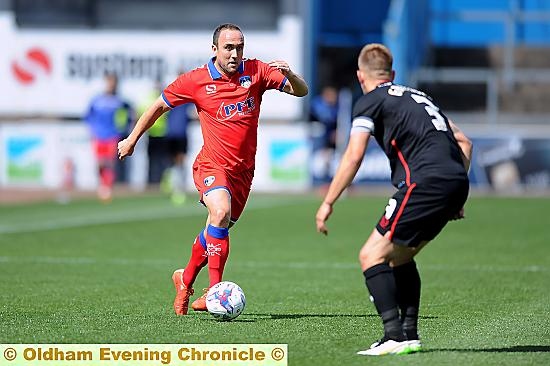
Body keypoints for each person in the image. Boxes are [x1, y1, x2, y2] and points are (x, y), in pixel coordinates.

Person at [118, 23, 308, 315]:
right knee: (220, 212)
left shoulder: (257, 71)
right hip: (211, 165)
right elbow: (158, 106)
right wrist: (131, 139)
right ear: (215, 49)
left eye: (239, 47)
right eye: (229, 47)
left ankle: (185, 279)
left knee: (214, 232)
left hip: (243, 173)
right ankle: (214, 292)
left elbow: (301, 92)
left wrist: (291, 75)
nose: (235, 53)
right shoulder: (196, 80)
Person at [315, 44, 472, 356]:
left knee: (370, 256)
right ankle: (409, 334)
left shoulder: (369, 101)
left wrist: (329, 200)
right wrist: (455, 191)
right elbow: (464, 141)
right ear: (393, 74)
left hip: (423, 182)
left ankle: (393, 336)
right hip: (455, 180)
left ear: (361, 76)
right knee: (399, 257)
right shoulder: (420, 97)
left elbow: (354, 154)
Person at [85, 73, 133, 202]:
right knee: (100, 164)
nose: (112, 85)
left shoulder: (120, 101)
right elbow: (89, 116)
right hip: (99, 136)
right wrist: (92, 130)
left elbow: (129, 115)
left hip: (113, 136)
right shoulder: (97, 100)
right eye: (110, 82)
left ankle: (107, 188)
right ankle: (103, 184)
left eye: (114, 83)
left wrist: (123, 129)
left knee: (111, 163)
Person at [309, 86, 339, 181]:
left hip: (331, 141)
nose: (333, 98)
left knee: (332, 161)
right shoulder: (317, 105)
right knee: (321, 163)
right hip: (319, 141)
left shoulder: (337, 107)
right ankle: (322, 181)